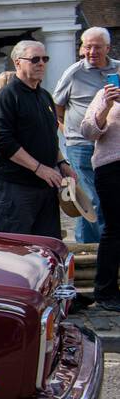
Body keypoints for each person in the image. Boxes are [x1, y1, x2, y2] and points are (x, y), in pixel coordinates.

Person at [0, 40, 75, 238]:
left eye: (45, 59)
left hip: (45, 186)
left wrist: (62, 162)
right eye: (35, 59)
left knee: (47, 247)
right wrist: (39, 168)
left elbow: (49, 136)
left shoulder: (44, 96)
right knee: (17, 250)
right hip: (14, 187)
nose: (41, 63)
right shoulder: (5, 97)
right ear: (18, 63)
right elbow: (3, 141)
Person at [53, 27, 118, 244]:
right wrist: (67, 133)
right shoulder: (74, 72)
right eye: (87, 46)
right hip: (81, 144)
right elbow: (57, 108)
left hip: (111, 146)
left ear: (107, 48)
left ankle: (106, 246)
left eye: (97, 47)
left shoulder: (118, 70)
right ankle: (91, 248)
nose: (91, 51)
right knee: (88, 199)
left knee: (109, 199)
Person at [80, 78, 120, 310]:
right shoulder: (104, 95)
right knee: (115, 228)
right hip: (112, 167)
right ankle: (105, 291)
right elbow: (88, 131)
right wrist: (106, 106)